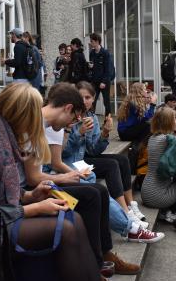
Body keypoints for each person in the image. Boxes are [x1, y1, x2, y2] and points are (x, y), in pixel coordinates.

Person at [0, 83, 105, 281]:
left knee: (74, 217)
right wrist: (36, 208)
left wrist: (31, 196)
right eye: (34, 114)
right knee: (63, 228)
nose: (38, 120)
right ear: (21, 114)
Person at [23, 82, 141, 279]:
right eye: (74, 116)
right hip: (34, 189)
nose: (74, 121)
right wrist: (65, 176)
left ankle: (104, 255)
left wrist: (102, 133)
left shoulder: (45, 124)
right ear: (68, 108)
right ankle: (97, 264)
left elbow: (83, 152)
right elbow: (34, 177)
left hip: (41, 183)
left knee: (99, 191)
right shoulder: (37, 126)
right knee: (92, 194)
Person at [63, 82, 163, 242]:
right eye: (81, 97)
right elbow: (63, 153)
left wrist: (104, 133)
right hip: (75, 163)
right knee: (110, 167)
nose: (84, 100)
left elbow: (94, 149)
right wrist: (79, 133)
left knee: (121, 160)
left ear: (94, 99)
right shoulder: (67, 118)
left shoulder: (92, 118)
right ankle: (126, 214)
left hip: (83, 160)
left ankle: (131, 206)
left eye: (88, 97)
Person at [88, 33, 114, 117]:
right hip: (95, 81)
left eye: (91, 41)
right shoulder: (92, 53)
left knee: (106, 102)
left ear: (97, 41)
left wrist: (104, 82)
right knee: (92, 101)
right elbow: (92, 67)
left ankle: (107, 121)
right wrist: (91, 67)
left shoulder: (105, 53)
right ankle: (91, 121)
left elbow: (108, 69)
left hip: (104, 82)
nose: (90, 43)